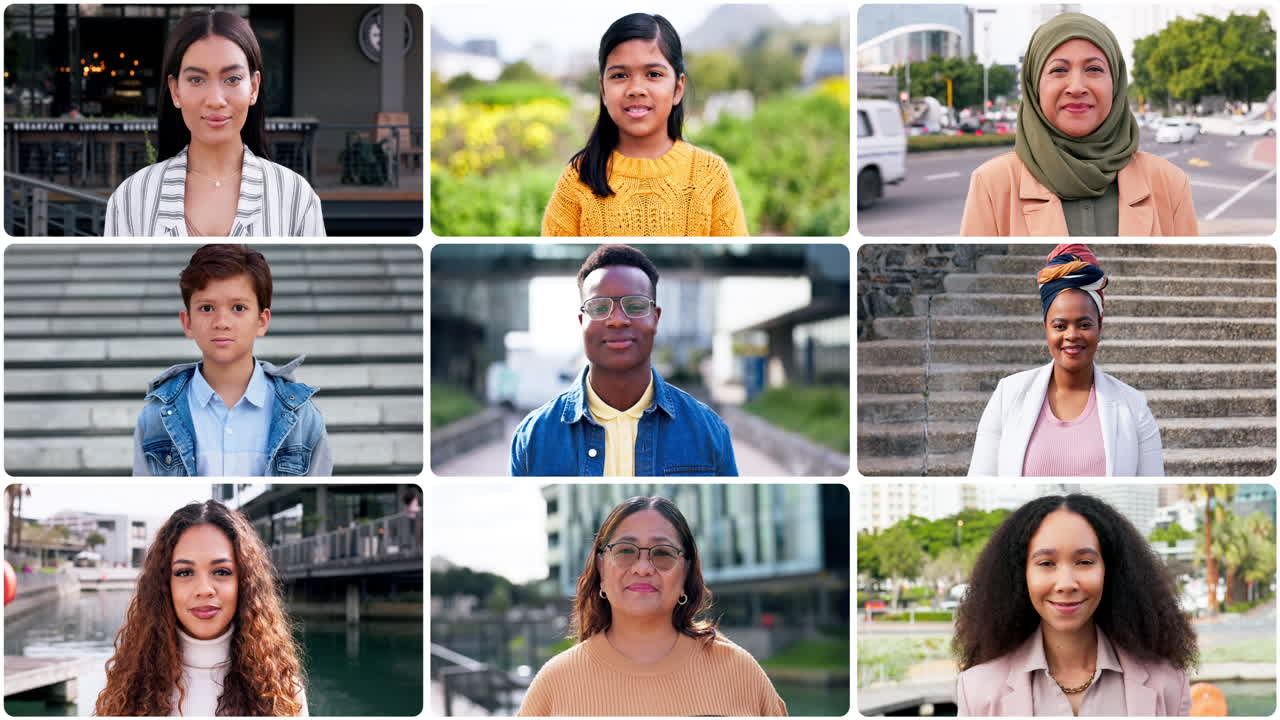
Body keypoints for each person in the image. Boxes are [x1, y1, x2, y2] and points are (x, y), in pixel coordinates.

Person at [518, 496, 786, 716]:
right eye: (625, 551)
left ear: (686, 572)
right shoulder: (554, 684)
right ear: (601, 567)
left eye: (663, 553)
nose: (643, 568)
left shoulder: (741, 673)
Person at [953, 493, 1196, 716]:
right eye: (1046, 563)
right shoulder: (977, 690)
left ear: (1110, 570)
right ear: (1020, 575)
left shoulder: (1168, 684)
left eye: (1084, 562)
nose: (1066, 584)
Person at [959, 12, 1198, 236]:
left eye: (1094, 69)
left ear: (1115, 83)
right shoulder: (994, 184)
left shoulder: (1168, 183)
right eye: (1059, 70)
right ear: (1034, 87)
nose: (1076, 87)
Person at [510, 245, 738, 476]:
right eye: (599, 307)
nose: (617, 320)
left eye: (635, 306)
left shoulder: (708, 430)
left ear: (655, 319)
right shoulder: (533, 437)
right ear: (582, 322)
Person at [103, 10, 325, 236]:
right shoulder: (131, 198)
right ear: (175, 90)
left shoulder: (297, 197)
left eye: (232, 79)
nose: (215, 100)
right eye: (196, 80)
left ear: (254, 87)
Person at [133, 244, 333, 476]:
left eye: (238, 308)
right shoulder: (156, 417)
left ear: (262, 321)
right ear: (187, 323)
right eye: (206, 308)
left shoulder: (302, 416)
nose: (222, 322)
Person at [541, 13, 747, 236]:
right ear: (603, 90)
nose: (636, 89)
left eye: (653, 74)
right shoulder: (578, 178)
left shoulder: (711, 175)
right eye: (620, 75)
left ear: (678, 88)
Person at [93, 500, 307, 715]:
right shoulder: (127, 687)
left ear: (244, 582)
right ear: (164, 585)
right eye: (184, 572)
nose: (204, 589)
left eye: (222, 572)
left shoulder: (283, 690)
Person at [968, 243, 1163, 476]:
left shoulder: (1133, 406)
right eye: (1060, 326)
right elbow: (982, 477)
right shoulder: (1008, 395)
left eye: (1084, 324)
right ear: (1046, 328)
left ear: (1100, 327)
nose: (1072, 335)